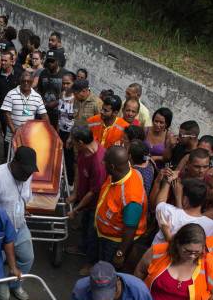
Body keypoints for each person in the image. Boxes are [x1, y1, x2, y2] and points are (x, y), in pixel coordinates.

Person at [0, 146, 37, 300]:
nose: (28, 175)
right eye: (25, 171)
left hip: (19, 227)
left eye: (30, 171)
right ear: (15, 163)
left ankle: (14, 285)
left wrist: (22, 210)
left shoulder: (27, 175)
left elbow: (23, 197)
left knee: (27, 258)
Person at [95, 146, 147, 267]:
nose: (102, 163)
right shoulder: (118, 174)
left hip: (114, 242)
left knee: (107, 270)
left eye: (105, 161)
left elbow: (130, 230)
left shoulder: (131, 197)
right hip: (105, 235)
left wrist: (120, 253)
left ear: (112, 166)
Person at [67, 125, 107, 271]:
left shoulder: (98, 163)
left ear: (81, 142)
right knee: (84, 227)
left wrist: (76, 209)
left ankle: (90, 263)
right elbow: (78, 171)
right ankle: (81, 247)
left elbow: (93, 192)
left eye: (73, 140)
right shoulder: (83, 151)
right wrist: (75, 194)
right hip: (85, 199)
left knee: (92, 234)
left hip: (96, 204)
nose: (71, 142)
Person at [153, 178, 213, 244]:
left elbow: (160, 203)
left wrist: (168, 181)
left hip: (158, 253)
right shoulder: (211, 225)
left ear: (185, 199)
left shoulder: (167, 211)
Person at [1, 70, 49, 149]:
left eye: (28, 81)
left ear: (32, 81)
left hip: (29, 136)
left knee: (25, 158)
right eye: (24, 81)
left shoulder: (37, 97)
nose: (26, 83)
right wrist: (14, 132)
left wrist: (47, 130)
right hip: (12, 135)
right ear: (20, 81)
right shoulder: (11, 94)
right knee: (11, 159)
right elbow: (7, 114)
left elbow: (44, 115)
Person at [0, 51, 21, 156]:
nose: (2, 63)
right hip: (4, 112)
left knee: (18, 134)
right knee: (6, 135)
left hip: (18, 111)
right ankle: (6, 157)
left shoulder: (18, 74)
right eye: (1, 60)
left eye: (5, 60)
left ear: (12, 61)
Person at [37, 51, 68, 128]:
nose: (50, 63)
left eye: (52, 61)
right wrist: (43, 102)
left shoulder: (65, 74)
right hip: (44, 111)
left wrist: (56, 102)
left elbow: (68, 94)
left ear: (57, 61)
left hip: (58, 114)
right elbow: (39, 90)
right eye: (48, 61)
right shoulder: (43, 73)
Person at [58, 72, 75, 184]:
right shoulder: (62, 94)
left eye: (68, 83)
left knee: (69, 159)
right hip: (60, 130)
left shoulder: (76, 98)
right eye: (63, 83)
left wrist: (71, 136)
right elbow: (59, 115)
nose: (65, 85)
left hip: (70, 133)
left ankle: (70, 183)